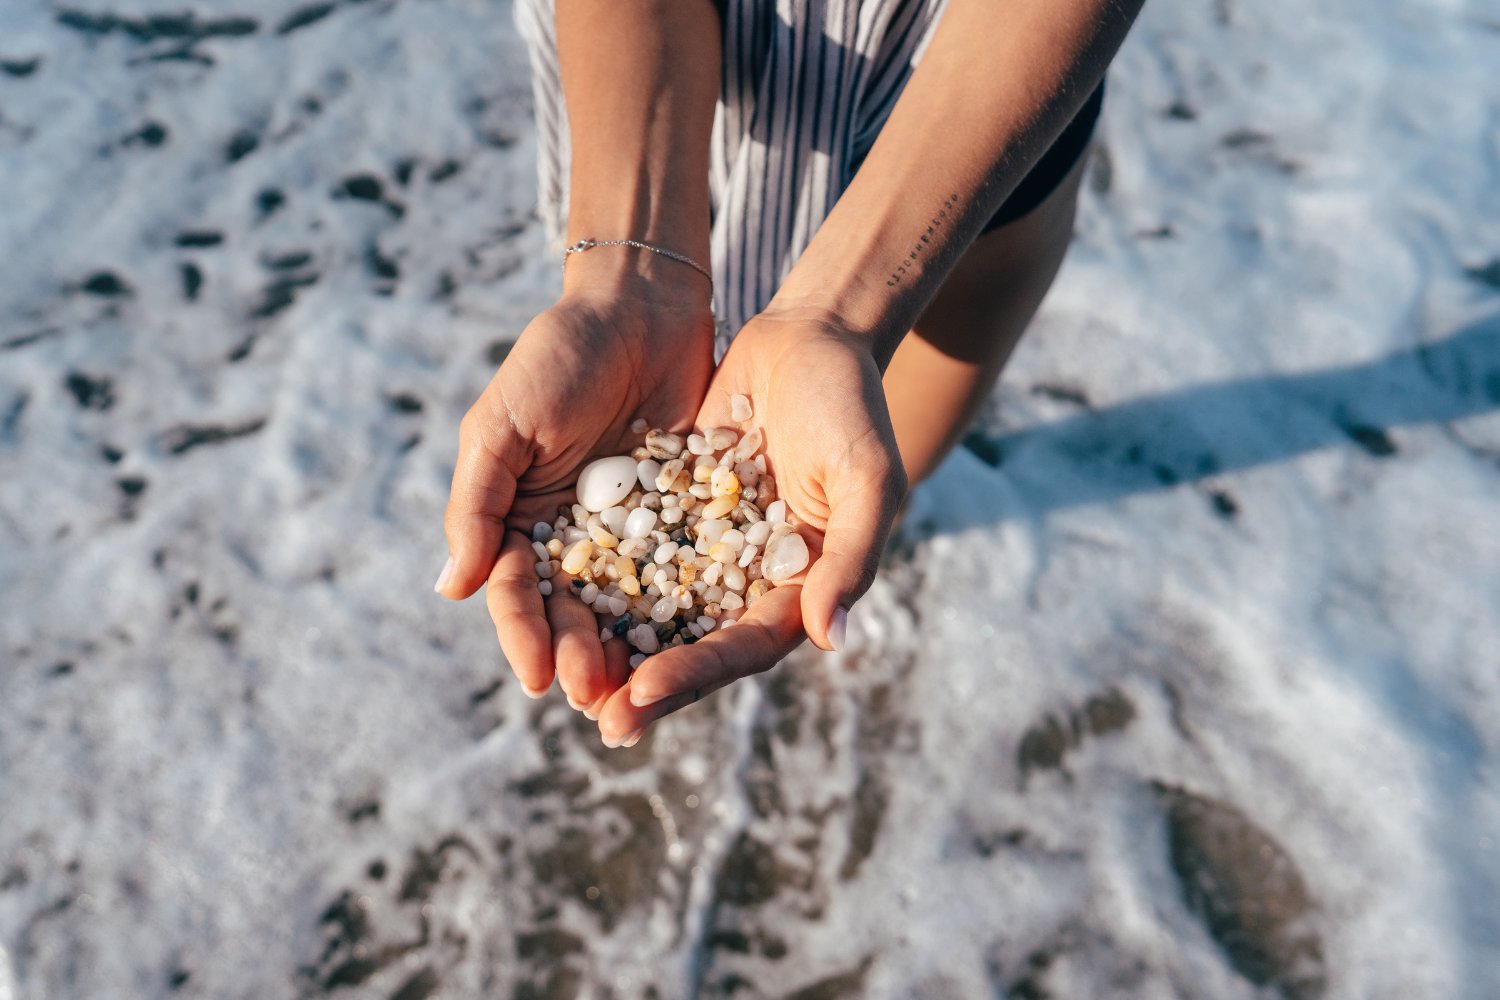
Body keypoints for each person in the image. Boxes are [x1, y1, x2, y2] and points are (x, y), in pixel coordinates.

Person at [434, 0, 1144, 747]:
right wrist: (626, 277)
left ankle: (862, 554)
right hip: (676, 79)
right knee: (841, 482)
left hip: (984, 84)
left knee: (886, 471)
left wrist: (836, 318)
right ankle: (844, 559)